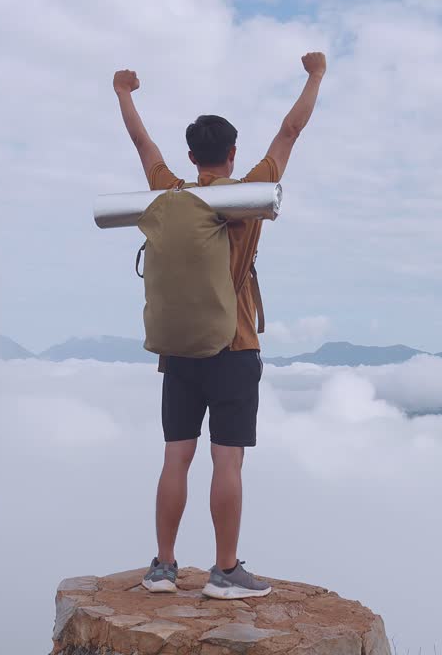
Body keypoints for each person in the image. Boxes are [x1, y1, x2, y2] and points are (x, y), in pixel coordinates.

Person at [111, 52, 326, 599]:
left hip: (179, 351)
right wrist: (315, 75)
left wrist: (123, 93)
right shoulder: (246, 198)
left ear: (191, 156)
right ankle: (225, 572)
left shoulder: (170, 194)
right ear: (231, 155)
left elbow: (144, 147)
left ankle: (163, 568)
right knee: (225, 459)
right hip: (233, 347)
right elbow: (290, 131)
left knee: (175, 457)